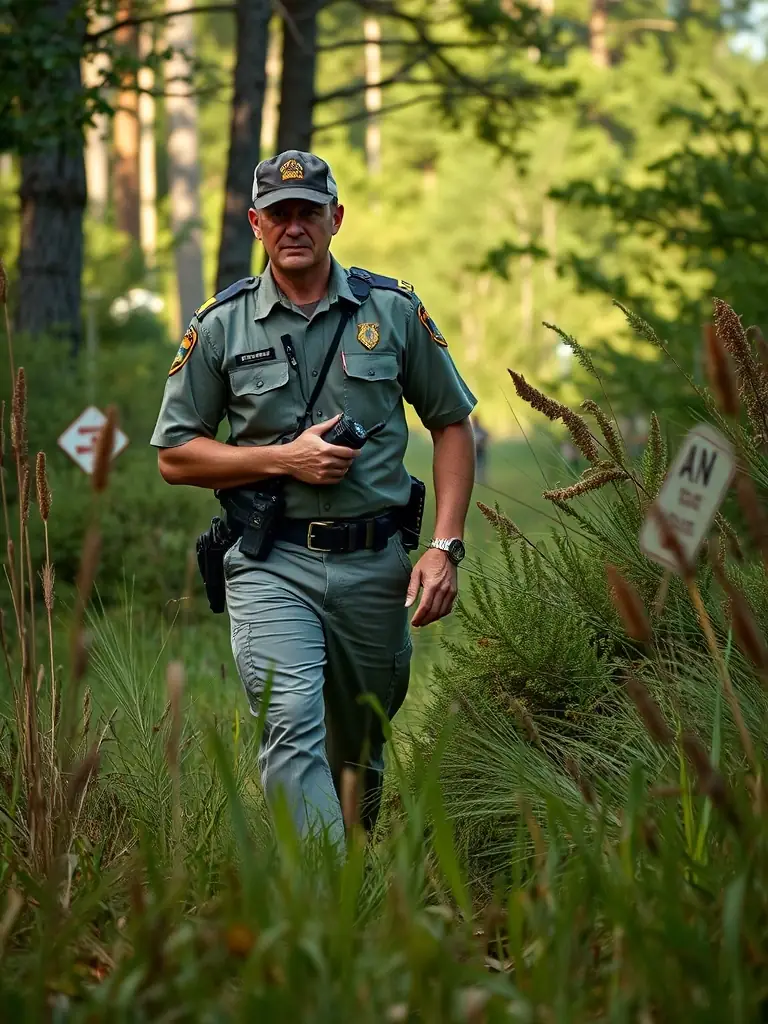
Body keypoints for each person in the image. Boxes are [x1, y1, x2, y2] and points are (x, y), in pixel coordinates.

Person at [151, 150, 477, 847]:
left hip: (375, 564)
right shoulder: (222, 324)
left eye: (307, 211)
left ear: (335, 217)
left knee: (358, 750)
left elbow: (452, 423)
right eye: (278, 214)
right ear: (255, 224)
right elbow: (176, 455)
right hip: (272, 562)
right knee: (290, 722)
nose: (293, 226)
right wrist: (283, 458)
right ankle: (330, 899)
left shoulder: (390, 311)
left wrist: (444, 546)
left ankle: (352, 870)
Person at [472, 414, 490, 486]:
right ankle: (475, 482)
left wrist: (482, 442)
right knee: (474, 467)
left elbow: (487, 435)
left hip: (481, 451)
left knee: (482, 465)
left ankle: (483, 480)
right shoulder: (471, 430)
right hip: (474, 452)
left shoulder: (481, 429)